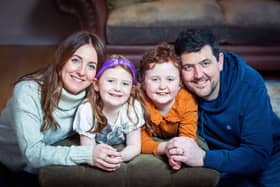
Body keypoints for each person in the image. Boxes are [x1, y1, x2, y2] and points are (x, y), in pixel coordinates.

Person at [167, 28, 280, 186]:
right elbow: (146, 76)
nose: (198, 75)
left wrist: (203, 157)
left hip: (270, 154)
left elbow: (257, 154)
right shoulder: (176, 84)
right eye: (188, 67)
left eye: (205, 63)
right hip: (225, 160)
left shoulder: (248, 83)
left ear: (219, 61)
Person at [0, 31, 105, 186]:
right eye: (76, 60)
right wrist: (87, 154)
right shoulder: (29, 91)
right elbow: (32, 154)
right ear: (62, 60)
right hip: (7, 164)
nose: (82, 72)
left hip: (38, 168)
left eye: (91, 66)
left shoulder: (93, 95)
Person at [73, 54, 145, 172]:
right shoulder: (87, 110)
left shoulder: (132, 108)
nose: (118, 88)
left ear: (132, 90)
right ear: (96, 84)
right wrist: (101, 158)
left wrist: (119, 157)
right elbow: (87, 147)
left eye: (125, 84)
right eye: (111, 81)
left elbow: (134, 146)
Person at [138, 42, 199, 170]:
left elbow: (188, 137)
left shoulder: (187, 101)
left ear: (180, 83)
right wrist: (165, 148)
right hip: (158, 141)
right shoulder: (139, 101)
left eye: (170, 79)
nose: (162, 86)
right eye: (155, 79)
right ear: (143, 82)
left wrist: (177, 154)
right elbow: (141, 142)